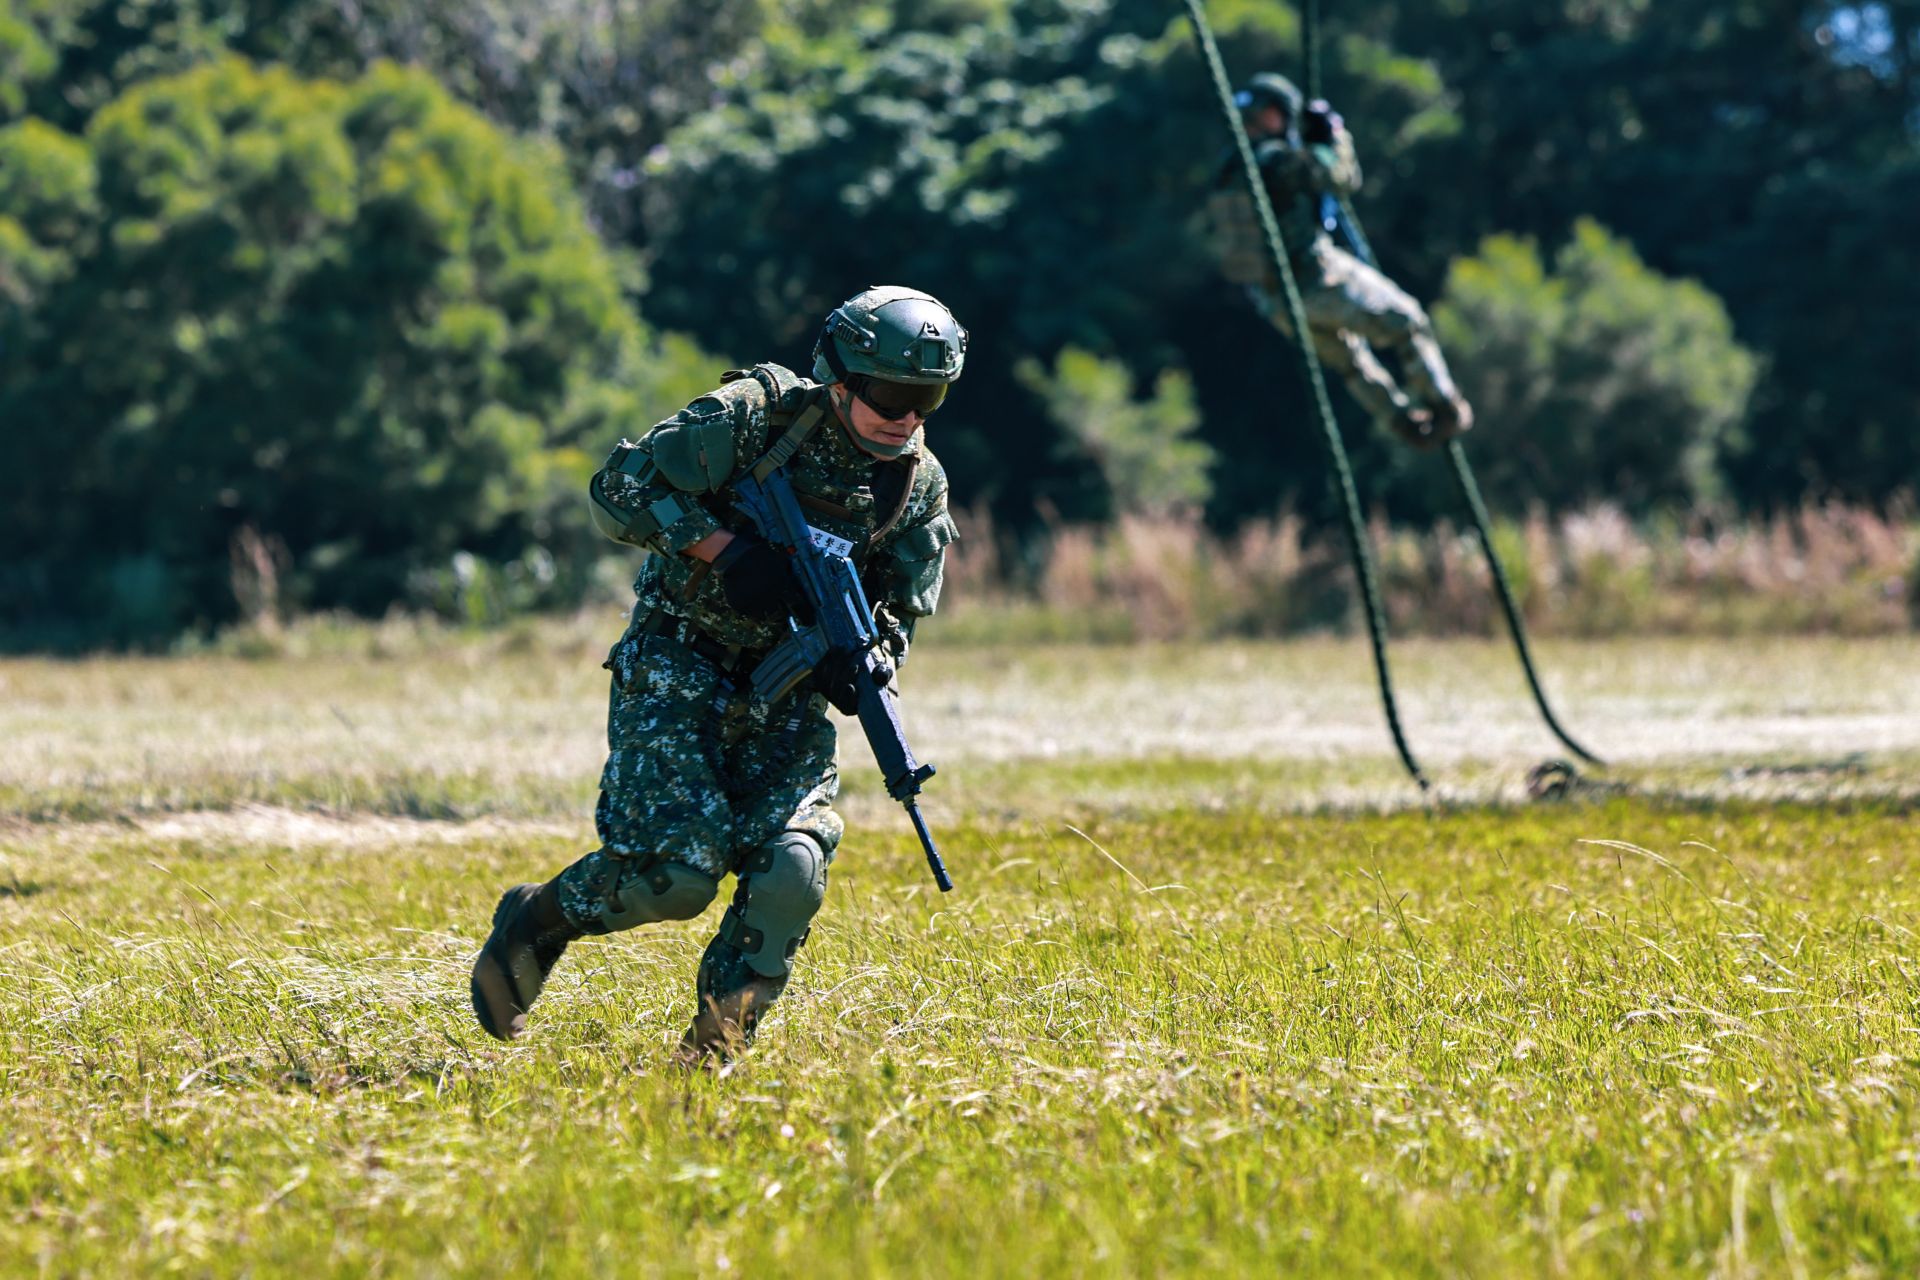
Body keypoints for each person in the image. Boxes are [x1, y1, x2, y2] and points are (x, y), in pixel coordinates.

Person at [469, 285, 964, 1064]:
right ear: (841, 377)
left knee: (794, 868)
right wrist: (725, 553)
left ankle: (709, 1060)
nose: (905, 418)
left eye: (926, 398)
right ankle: (537, 923)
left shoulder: (915, 482)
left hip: (787, 697)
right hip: (680, 664)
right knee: (675, 875)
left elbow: (902, 604)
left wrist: (866, 657)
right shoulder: (756, 418)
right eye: (892, 394)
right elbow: (618, 492)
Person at [1206, 71, 1473, 447]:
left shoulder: (1229, 168)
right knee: (1408, 322)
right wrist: (1333, 136)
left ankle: (1404, 423)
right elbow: (1343, 177)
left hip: (1276, 302)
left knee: (1351, 364)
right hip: (1315, 278)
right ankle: (1445, 408)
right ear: (1270, 115)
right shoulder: (1275, 161)